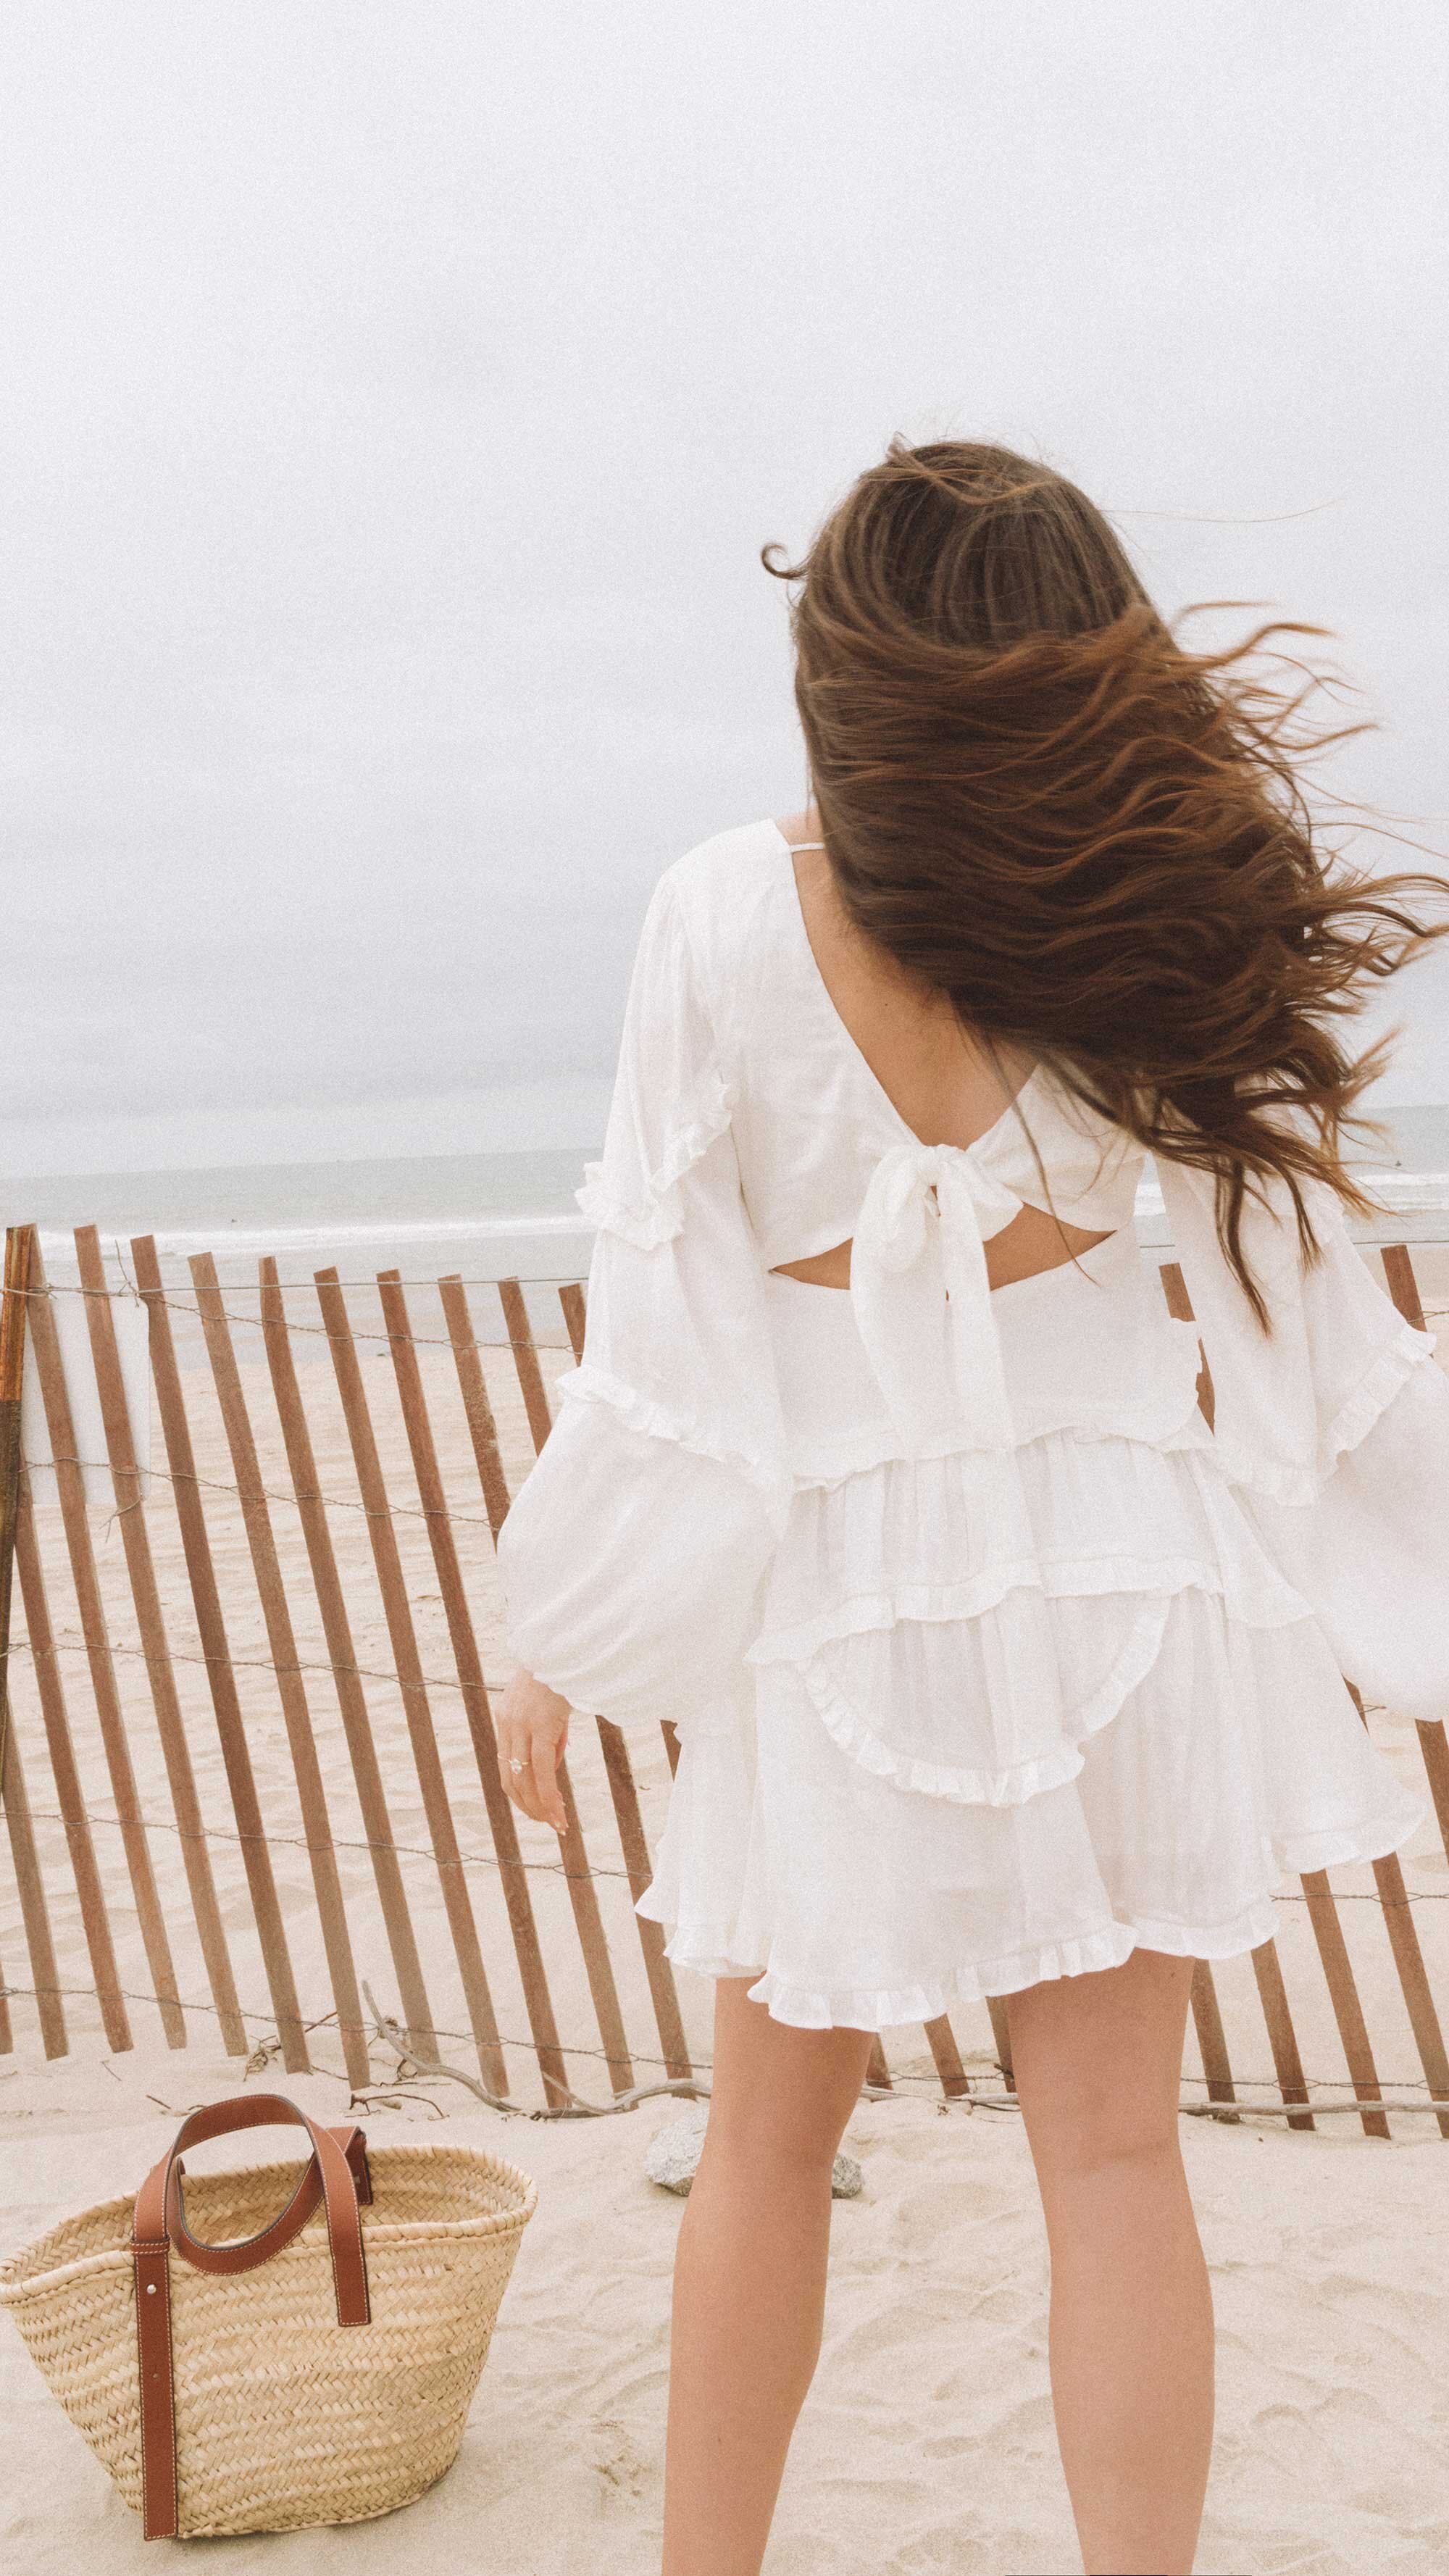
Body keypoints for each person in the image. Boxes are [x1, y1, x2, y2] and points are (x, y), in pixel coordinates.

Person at [490, 439, 1449, 2576]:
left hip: (842, 1603)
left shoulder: (726, 911)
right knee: (1115, 2163)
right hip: (1135, 1574)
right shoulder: (1143, 921)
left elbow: (668, 1341)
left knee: (760, 2152)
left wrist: (562, 1618)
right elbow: (1317, 1327)